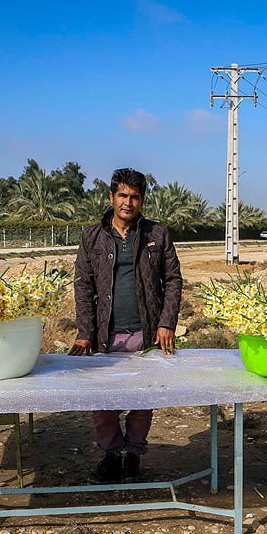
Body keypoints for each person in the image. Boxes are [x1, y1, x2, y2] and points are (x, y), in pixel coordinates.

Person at [69, 167, 183, 483]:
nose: (127, 202)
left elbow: (173, 279)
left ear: (142, 200)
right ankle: (111, 456)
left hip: (145, 334)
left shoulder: (157, 234)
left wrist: (166, 322)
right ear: (111, 197)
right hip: (106, 336)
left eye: (134, 197)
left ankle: (133, 455)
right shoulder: (92, 237)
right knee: (103, 401)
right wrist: (85, 333)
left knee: (142, 399)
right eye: (122, 195)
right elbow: (83, 286)